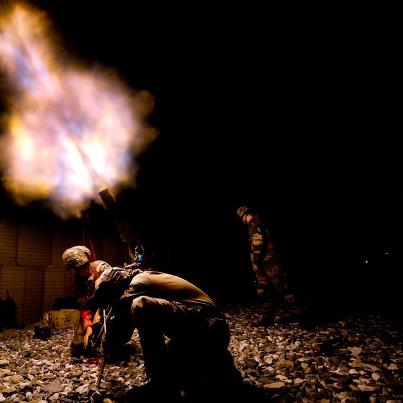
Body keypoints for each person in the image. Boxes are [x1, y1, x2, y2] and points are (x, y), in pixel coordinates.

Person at [62, 245, 243, 401]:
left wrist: (107, 341)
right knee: (183, 370)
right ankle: (220, 365)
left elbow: (120, 329)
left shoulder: (136, 285)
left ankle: (159, 385)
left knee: (141, 306)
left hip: (211, 328)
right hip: (200, 328)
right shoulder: (132, 280)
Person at [236, 205, 301, 324]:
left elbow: (258, 245)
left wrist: (255, 262)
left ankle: (300, 313)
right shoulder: (258, 223)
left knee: (283, 287)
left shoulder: (255, 224)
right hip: (264, 263)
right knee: (264, 290)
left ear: (244, 216)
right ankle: (267, 317)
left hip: (269, 262)